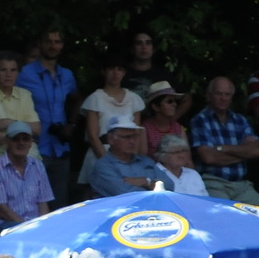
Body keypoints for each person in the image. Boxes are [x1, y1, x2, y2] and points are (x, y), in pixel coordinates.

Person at [16, 29, 77, 202]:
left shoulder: (67, 75)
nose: (53, 45)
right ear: (41, 44)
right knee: (31, 202)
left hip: (60, 147)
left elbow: (77, 98)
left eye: (57, 42)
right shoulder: (24, 73)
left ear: (62, 46)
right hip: (33, 147)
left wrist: (71, 124)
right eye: (49, 41)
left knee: (60, 205)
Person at [77, 52, 145, 183]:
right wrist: (108, 164)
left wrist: (131, 161)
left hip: (128, 156)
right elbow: (92, 135)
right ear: (104, 72)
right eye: (111, 69)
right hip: (101, 153)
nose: (115, 73)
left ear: (124, 73)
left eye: (120, 69)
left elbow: (137, 133)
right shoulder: (95, 98)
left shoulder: (134, 99)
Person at [188, 76, 259, 202]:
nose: (223, 98)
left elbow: (256, 150)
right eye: (218, 94)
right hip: (213, 182)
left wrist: (223, 148)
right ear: (209, 95)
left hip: (242, 185)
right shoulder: (200, 120)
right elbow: (209, 157)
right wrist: (244, 154)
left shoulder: (240, 120)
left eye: (227, 94)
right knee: (225, 216)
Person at [0, 124, 52, 229]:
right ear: (7, 142)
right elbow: (2, 211)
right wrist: (28, 228)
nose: (21, 143)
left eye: (25, 139)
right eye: (15, 139)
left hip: (35, 225)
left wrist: (45, 226)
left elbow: (43, 203)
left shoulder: (38, 166)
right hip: (6, 226)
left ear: (31, 143)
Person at [0, 52, 41, 166]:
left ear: (18, 73)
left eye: (13, 70)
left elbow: (37, 129)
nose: (8, 74)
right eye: (3, 70)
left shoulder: (25, 95)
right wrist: (24, 135)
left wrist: (9, 123)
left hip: (29, 162)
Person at [87, 118, 173, 198]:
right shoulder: (103, 166)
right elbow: (125, 194)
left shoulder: (145, 161)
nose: (132, 142)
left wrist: (147, 182)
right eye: (127, 137)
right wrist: (156, 188)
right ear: (111, 139)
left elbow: (170, 185)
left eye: (135, 136)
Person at [137, 82, 188, 157]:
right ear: (155, 107)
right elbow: (142, 159)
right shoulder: (144, 129)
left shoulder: (179, 128)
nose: (175, 104)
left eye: (175, 101)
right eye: (170, 101)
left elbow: (187, 158)